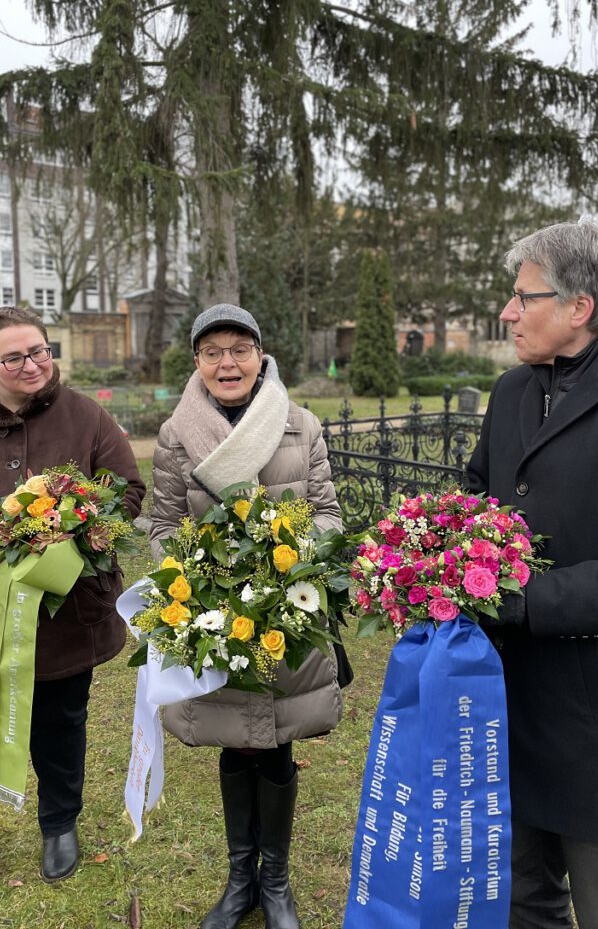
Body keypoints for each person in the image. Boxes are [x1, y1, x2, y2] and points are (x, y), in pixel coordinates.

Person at [466, 220, 598, 929]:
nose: (508, 311)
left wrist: (533, 600)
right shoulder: (512, 392)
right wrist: (419, 557)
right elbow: (472, 505)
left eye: (524, 296)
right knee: (521, 904)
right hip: (508, 704)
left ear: (580, 306)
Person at [0, 306, 145, 909]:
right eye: (14, 357)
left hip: (64, 617)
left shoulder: (85, 416)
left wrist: (80, 526)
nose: (33, 364)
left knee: (61, 727)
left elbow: (128, 491)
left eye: (40, 350)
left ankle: (59, 825)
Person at [150, 303, 343, 929]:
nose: (227, 363)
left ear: (260, 357)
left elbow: (327, 515)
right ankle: (241, 881)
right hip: (216, 619)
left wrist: (285, 570)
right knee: (233, 739)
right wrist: (198, 577)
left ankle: (277, 883)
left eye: (239, 349)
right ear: (197, 363)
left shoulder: (298, 425)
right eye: (212, 352)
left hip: (287, 617)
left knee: (278, 739)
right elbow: (160, 524)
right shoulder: (178, 434)